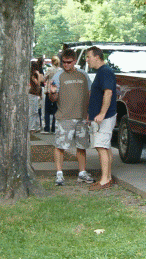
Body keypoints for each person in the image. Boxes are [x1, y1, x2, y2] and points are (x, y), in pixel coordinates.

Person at [48, 48, 93, 186]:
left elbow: (90, 93)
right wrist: (52, 92)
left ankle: (82, 172)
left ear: (74, 61)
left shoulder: (83, 75)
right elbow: (53, 99)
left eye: (68, 62)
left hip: (81, 117)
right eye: (63, 62)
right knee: (60, 146)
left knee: (82, 146)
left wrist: (89, 112)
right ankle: (59, 174)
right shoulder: (58, 76)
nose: (66, 65)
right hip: (64, 117)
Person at [86, 46, 117, 191]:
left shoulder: (105, 71)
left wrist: (102, 113)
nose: (87, 60)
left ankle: (104, 180)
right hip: (100, 117)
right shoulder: (102, 71)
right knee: (105, 146)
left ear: (97, 57)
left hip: (105, 117)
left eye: (88, 57)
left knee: (101, 147)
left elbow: (108, 93)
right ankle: (108, 177)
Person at [42, 56, 60, 133]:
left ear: (52, 61)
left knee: (47, 110)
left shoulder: (50, 69)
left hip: (49, 91)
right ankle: (53, 127)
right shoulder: (60, 70)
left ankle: (47, 128)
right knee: (55, 110)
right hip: (57, 91)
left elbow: (44, 79)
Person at [29, 61, 43, 133]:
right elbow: (38, 83)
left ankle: (37, 126)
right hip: (33, 93)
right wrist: (38, 75)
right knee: (33, 111)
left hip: (34, 93)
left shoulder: (32, 73)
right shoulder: (34, 74)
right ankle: (32, 127)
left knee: (35, 111)